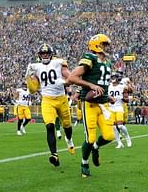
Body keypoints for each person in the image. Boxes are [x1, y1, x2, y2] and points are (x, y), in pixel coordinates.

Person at [66, 33, 115, 178]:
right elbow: (72, 77)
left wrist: (108, 95)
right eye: (104, 44)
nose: (106, 47)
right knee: (90, 137)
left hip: (103, 104)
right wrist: (91, 86)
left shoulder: (107, 62)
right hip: (89, 105)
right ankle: (84, 163)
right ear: (96, 45)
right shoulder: (90, 58)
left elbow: (102, 84)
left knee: (109, 136)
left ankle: (95, 148)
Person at [26, 43, 75, 167]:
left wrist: (64, 83)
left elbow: (69, 77)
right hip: (47, 100)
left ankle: (68, 140)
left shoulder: (58, 63)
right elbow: (33, 89)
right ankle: (54, 154)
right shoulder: (36, 67)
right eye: (43, 54)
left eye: (47, 53)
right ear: (39, 55)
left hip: (61, 99)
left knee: (67, 126)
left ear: (51, 54)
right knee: (49, 126)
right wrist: (28, 77)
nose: (45, 55)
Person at [108, 71, 132, 149]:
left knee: (120, 126)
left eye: (114, 77)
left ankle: (127, 137)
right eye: (112, 77)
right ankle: (119, 143)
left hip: (118, 107)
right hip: (111, 108)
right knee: (114, 127)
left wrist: (121, 98)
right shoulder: (108, 86)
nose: (113, 79)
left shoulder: (122, 87)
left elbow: (127, 100)